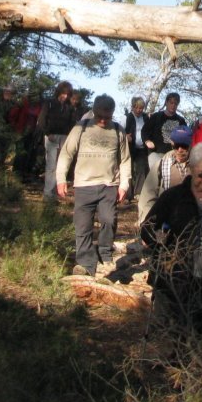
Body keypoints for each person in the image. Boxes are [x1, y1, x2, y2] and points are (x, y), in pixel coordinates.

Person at [141, 142, 202, 336]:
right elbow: (147, 228)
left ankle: (190, 358)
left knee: (198, 322)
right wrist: (160, 243)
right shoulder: (173, 197)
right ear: (191, 168)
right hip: (174, 268)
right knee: (176, 322)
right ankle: (176, 359)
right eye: (201, 174)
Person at [56, 94, 130, 278]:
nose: (103, 120)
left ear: (112, 113)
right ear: (93, 112)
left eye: (107, 117)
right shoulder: (81, 128)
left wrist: (124, 184)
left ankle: (105, 255)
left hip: (108, 185)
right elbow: (66, 154)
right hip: (83, 185)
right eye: (99, 116)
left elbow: (125, 160)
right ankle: (86, 264)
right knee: (83, 227)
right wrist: (61, 178)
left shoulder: (118, 131)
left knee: (108, 220)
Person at [137, 125, 192, 227]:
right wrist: (145, 224)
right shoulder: (162, 164)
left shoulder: (199, 166)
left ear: (190, 145)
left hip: (191, 221)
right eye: (176, 146)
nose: (180, 150)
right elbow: (148, 196)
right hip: (166, 220)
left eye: (184, 146)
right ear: (172, 144)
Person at [34, 80, 78, 201]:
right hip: (51, 137)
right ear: (59, 92)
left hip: (64, 138)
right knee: (51, 166)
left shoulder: (69, 107)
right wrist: (48, 133)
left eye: (68, 94)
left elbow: (71, 124)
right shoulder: (49, 103)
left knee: (61, 166)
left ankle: (56, 193)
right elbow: (42, 120)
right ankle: (48, 194)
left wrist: (69, 138)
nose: (65, 96)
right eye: (64, 93)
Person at [124, 96, 150, 201]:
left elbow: (148, 129)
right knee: (128, 170)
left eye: (141, 108)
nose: (139, 110)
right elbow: (121, 131)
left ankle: (138, 192)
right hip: (130, 147)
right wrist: (126, 136)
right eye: (137, 108)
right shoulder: (127, 117)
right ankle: (127, 194)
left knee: (141, 169)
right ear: (133, 107)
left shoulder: (145, 117)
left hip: (142, 148)